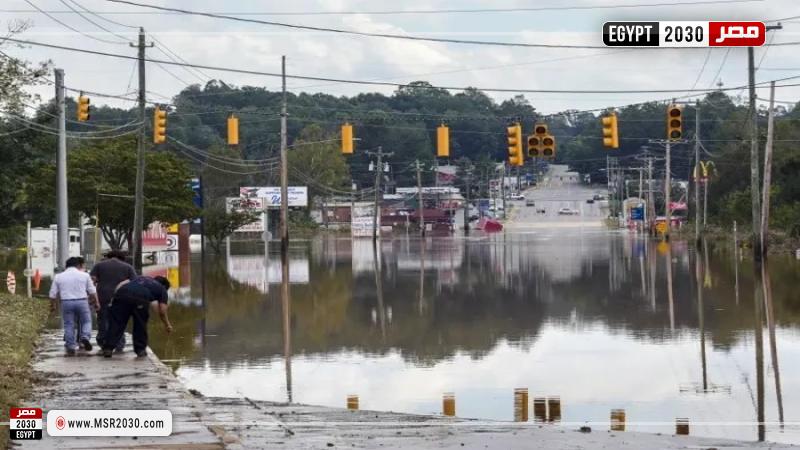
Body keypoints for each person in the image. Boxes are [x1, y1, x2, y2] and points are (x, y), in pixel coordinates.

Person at [102, 275, 173, 358]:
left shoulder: (141, 278)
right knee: (140, 324)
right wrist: (167, 324)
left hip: (122, 293)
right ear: (164, 286)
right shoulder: (162, 289)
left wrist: (115, 297)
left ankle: (108, 348)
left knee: (116, 322)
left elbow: (122, 283)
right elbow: (162, 311)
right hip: (141, 297)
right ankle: (140, 350)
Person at [49, 256, 100, 356]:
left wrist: (53, 306)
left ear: (66, 266)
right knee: (86, 321)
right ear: (78, 265)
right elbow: (92, 291)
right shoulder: (85, 275)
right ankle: (85, 337)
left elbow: (52, 294)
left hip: (66, 302)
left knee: (69, 324)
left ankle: (70, 346)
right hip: (82, 301)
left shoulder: (59, 276)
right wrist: (96, 302)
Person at [90, 250, 137, 352]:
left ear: (109, 256)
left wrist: (92, 297)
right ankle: (119, 344)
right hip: (121, 297)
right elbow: (134, 282)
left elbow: (92, 281)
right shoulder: (128, 267)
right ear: (121, 257)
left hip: (102, 296)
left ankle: (103, 342)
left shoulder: (99, 266)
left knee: (103, 320)